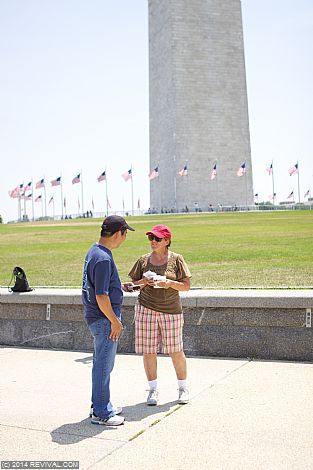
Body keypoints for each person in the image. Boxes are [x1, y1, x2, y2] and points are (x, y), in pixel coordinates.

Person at [128, 224, 191, 406]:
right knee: (148, 351)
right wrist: (143, 282)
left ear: (167, 241)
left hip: (171, 310)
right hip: (145, 309)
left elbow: (186, 286)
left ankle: (182, 388)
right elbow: (133, 285)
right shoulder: (143, 260)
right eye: (150, 238)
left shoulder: (177, 260)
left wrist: (169, 283)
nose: (153, 242)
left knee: (175, 350)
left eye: (157, 239)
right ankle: (153, 390)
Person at [82, 215, 135, 425]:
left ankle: (102, 404)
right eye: (125, 234)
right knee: (104, 366)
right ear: (117, 233)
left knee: (100, 364)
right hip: (104, 319)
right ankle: (102, 413)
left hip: (97, 316)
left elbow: (98, 286)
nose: (124, 238)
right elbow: (101, 296)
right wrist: (115, 321)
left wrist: (120, 287)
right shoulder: (103, 258)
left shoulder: (95, 252)